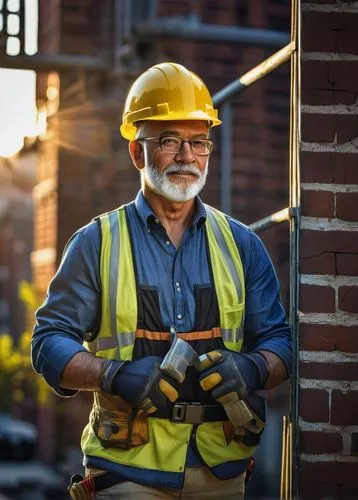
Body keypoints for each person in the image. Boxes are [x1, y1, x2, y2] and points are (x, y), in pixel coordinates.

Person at [31, 62, 292, 500]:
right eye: (169, 141)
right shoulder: (98, 243)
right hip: (126, 471)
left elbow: (280, 342)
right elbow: (48, 343)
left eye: (198, 142)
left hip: (221, 472)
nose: (187, 156)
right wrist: (114, 375)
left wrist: (251, 367)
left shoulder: (242, 245)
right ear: (138, 152)